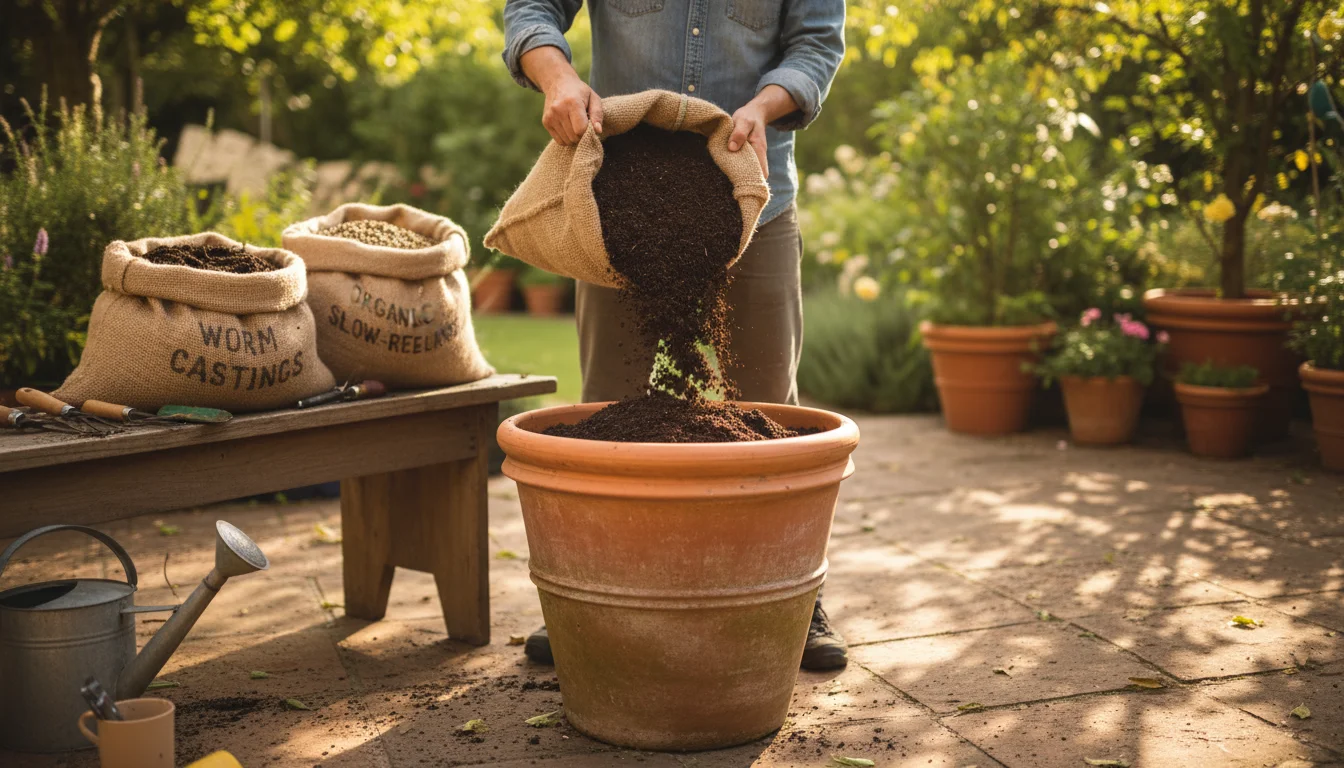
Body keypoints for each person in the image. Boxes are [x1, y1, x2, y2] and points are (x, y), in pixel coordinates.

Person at [502, 0, 848, 670]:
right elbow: (532, 10)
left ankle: (793, 599)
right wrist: (558, 80)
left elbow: (816, 45)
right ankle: (593, 594)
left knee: (770, 409)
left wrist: (763, 107)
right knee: (607, 407)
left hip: (755, 195)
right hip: (621, 201)